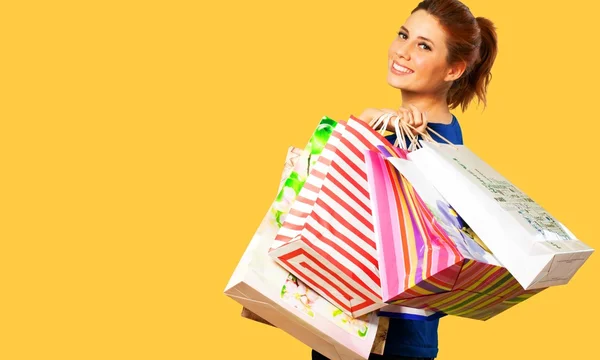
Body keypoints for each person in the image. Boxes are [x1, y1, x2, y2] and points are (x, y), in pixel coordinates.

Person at [312, 0, 498, 359]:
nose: (403, 51)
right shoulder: (424, 130)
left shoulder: (433, 146)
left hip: (386, 336)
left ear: (453, 69)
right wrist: (369, 122)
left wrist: (369, 130)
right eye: (403, 35)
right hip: (352, 321)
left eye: (424, 46)